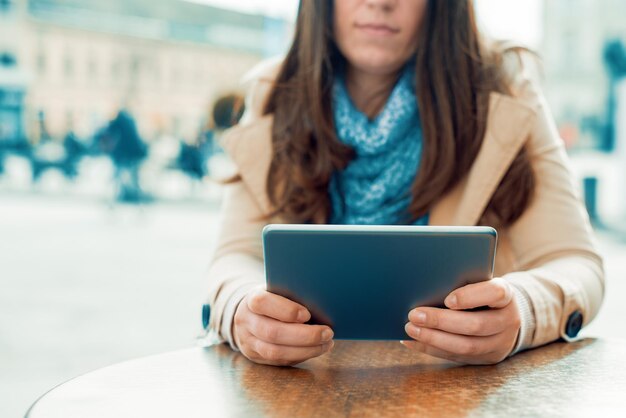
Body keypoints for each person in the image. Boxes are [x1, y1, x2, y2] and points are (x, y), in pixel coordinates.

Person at [204, 0, 604, 367]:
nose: (380, 3)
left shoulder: (504, 89)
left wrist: (523, 312)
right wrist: (243, 309)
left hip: (454, 390)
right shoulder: (272, 94)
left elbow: (576, 262)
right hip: (302, 385)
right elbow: (234, 258)